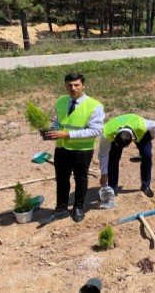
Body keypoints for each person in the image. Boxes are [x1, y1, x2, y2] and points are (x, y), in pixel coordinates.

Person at [42, 73, 105, 223]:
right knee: (62, 179)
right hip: (62, 148)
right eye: (69, 85)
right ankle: (61, 208)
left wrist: (67, 134)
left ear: (83, 86)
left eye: (76, 85)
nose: (73, 88)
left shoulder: (94, 106)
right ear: (65, 85)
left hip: (81, 151)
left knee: (80, 179)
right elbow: (60, 120)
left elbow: (96, 130)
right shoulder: (61, 101)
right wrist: (52, 129)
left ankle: (78, 207)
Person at [98, 114, 155, 198]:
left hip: (139, 131)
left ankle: (146, 185)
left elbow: (154, 124)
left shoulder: (142, 125)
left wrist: (152, 135)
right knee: (113, 159)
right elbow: (103, 154)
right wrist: (104, 174)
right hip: (117, 130)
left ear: (133, 139)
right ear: (115, 137)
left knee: (147, 155)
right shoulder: (107, 133)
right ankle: (112, 189)